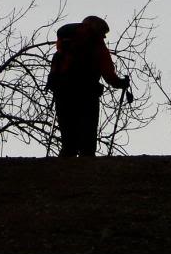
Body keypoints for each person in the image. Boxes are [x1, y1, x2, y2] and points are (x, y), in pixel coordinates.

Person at [46, 15, 130, 157]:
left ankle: (65, 165)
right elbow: (109, 75)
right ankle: (87, 165)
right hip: (87, 93)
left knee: (68, 130)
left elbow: (56, 69)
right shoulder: (97, 47)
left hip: (63, 92)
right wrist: (121, 83)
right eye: (103, 33)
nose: (104, 37)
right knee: (88, 131)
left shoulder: (64, 44)